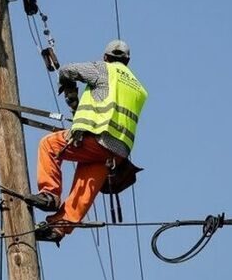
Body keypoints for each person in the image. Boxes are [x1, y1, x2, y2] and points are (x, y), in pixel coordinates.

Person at [29, 39, 148, 244]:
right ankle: (59, 228)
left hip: (99, 139)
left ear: (106, 57)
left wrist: (69, 88)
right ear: (127, 61)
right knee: (86, 185)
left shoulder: (104, 69)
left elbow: (68, 70)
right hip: (118, 152)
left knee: (49, 145)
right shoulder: (138, 87)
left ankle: (49, 195)